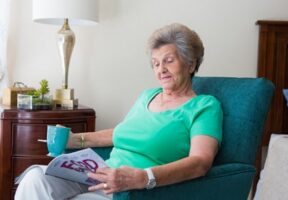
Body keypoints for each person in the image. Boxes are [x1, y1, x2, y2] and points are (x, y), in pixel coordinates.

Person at [15, 23, 223, 200]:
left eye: (169, 61)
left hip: (136, 189)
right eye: (155, 63)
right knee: (36, 178)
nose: (161, 69)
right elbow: (121, 133)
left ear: (190, 63)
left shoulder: (204, 106)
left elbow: (200, 162)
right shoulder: (147, 96)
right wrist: (73, 139)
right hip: (102, 174)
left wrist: (143, 177)